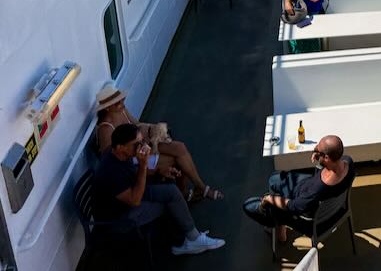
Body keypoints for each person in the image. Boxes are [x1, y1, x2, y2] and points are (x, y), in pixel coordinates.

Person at [93, 123, 225, 256]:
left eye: (142, 142)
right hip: (120, 218)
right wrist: (143, 165)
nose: (142, 147)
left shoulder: (120, 154)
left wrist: (159, 171)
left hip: (129, 195)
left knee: (171, 191)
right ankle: (188, 240)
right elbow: (135, 200)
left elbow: (133, 173)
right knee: (171, 202)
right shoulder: (110, 173)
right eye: (136, 144)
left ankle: (191, 237)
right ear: (121, 147)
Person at [95, 84, 223, 201]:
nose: (122, 103)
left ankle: (200, 186)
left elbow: (137, 125)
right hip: (134, 157)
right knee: (174, 159)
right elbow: (112, 157)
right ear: (107, 108)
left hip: (143, 144)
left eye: (122, 99)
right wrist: (140, 155)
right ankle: (183, 193)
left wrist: (153, 130)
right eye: (117, 103)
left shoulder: (122, 110)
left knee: (180, 147)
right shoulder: (105, 128)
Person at [242, 135, 354, 242]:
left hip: (309, 216)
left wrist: (268, 199)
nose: (315, 151)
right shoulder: (348, 162)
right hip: (311, 192)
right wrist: (320, 162)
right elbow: (328, 174)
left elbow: (293, 206)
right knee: (274, 179)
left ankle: (277, 228)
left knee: (249, 205)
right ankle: (278, 224)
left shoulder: (317, 190)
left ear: (326, 157)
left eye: (318, 151)